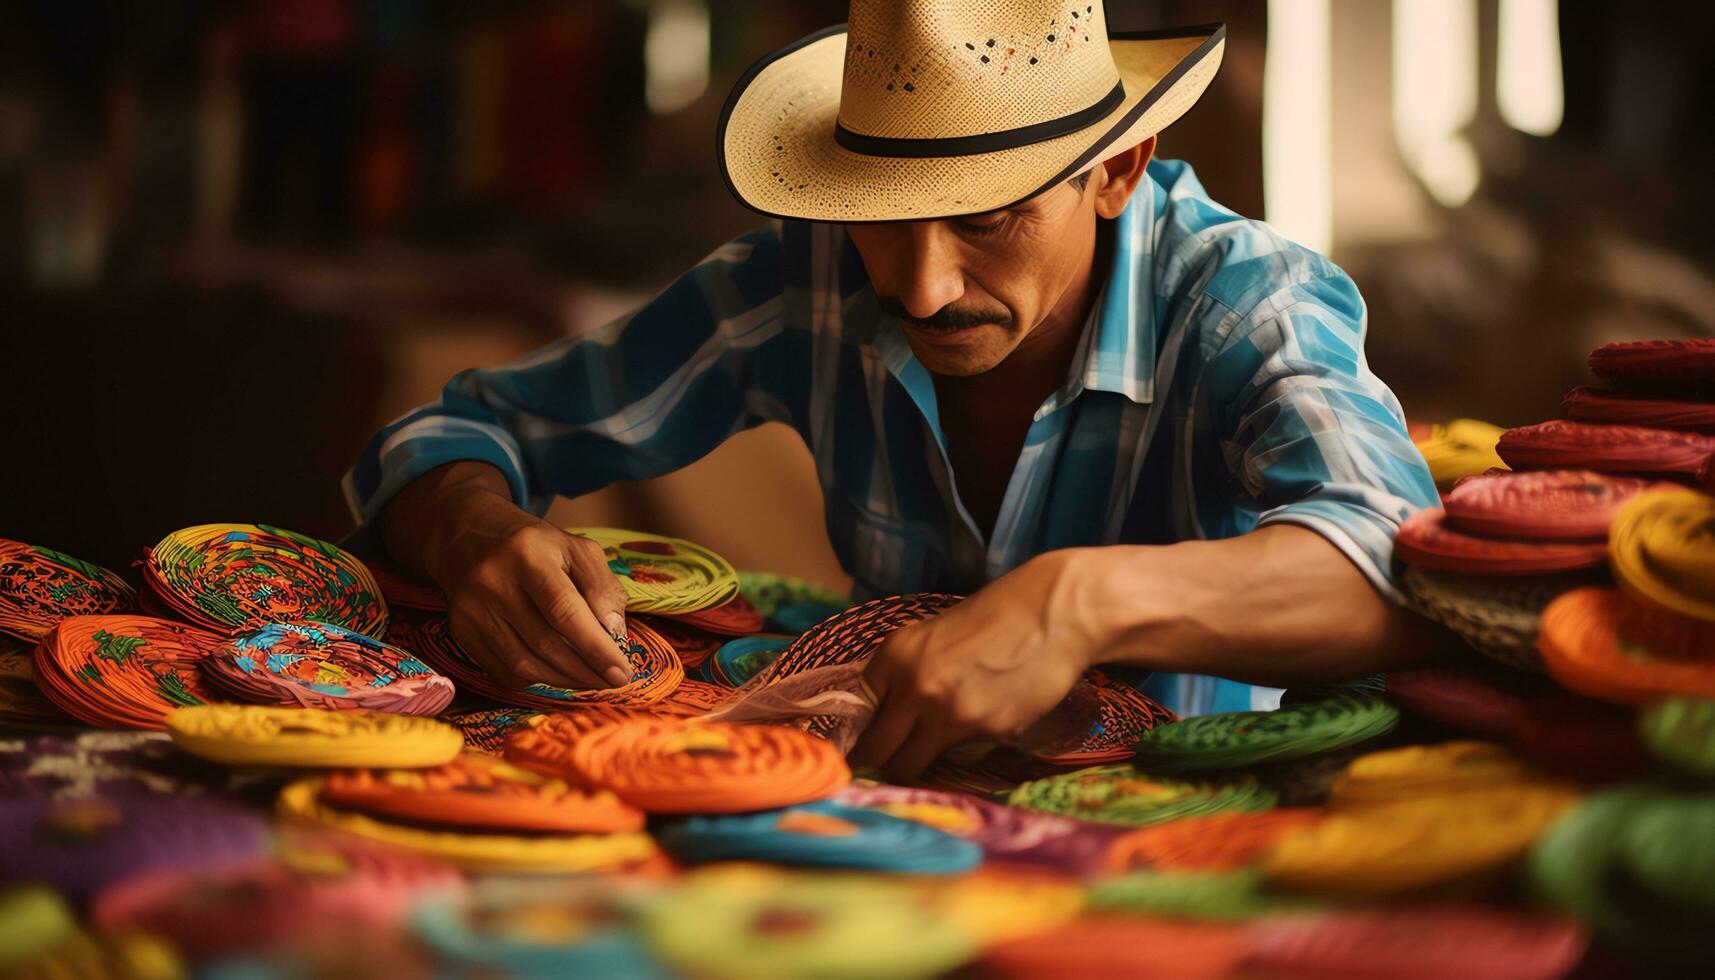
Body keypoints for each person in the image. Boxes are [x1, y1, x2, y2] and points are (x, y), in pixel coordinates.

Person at [345, 2, 1441, 780]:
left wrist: (1076, 600)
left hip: (1184, 844)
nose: (918, 285)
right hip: (879, 824)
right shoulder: (799, 284)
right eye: (878, 210)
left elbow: (1394, 570)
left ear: (1114, 166)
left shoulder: (1245, 304)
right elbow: (450, 433)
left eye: (986, 212)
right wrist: (470, 529)